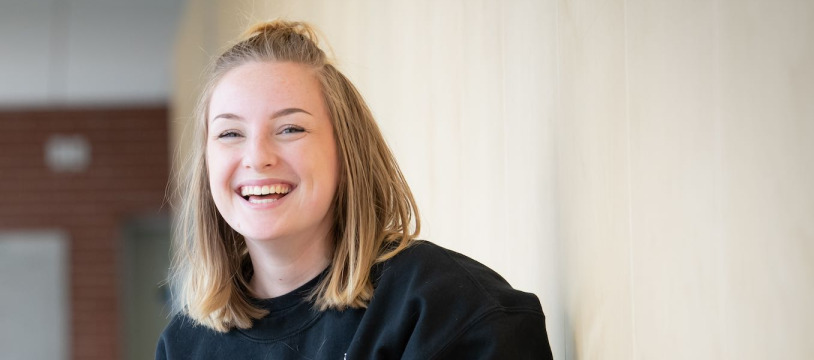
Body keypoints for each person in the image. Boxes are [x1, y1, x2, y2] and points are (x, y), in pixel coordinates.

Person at [156, 20, 553, 359]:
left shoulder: (446, 309)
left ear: (347, 151)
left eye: (290, 128)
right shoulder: (184, 345)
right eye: (229, 133)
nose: (257, 157)